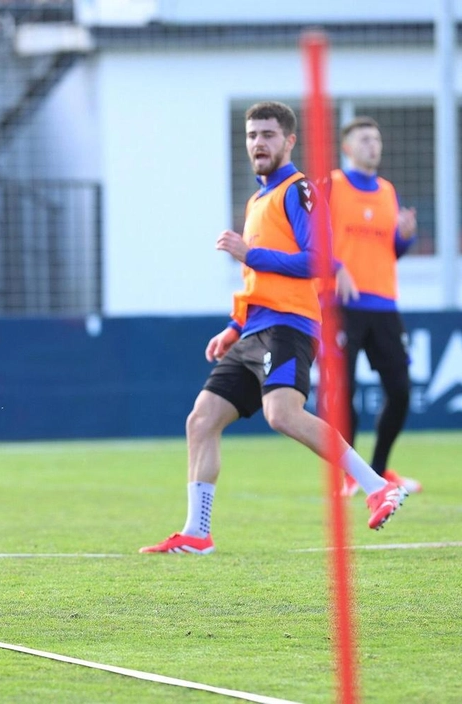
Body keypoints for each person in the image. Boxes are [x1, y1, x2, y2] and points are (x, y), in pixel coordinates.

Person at [139, 101, 408, 556]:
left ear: (289, 141)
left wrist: (250, 254)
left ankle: (376, 485)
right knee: (201, 420)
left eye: (267, 134)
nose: (258, 143)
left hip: (289, 325)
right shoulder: (257, 199)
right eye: (251, 135)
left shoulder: (299, 190)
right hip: (253, 329)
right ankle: (197, 532)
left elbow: (317, 260)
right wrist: (233, 325)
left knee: (282, 414)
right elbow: (254, 279)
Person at [328, 116, 422, 498]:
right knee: (342, 392)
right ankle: (350, 476)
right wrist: (335, 269)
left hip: (384, 304)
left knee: (400, 390)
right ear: (348, 147)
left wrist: (405, 238)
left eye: (377, 138)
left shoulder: (387, 191)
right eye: (365, 139)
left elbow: (390, 251)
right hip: (343, 305)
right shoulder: (331, 185)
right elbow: (310, 237)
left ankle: (379, 470)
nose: (373, 145)